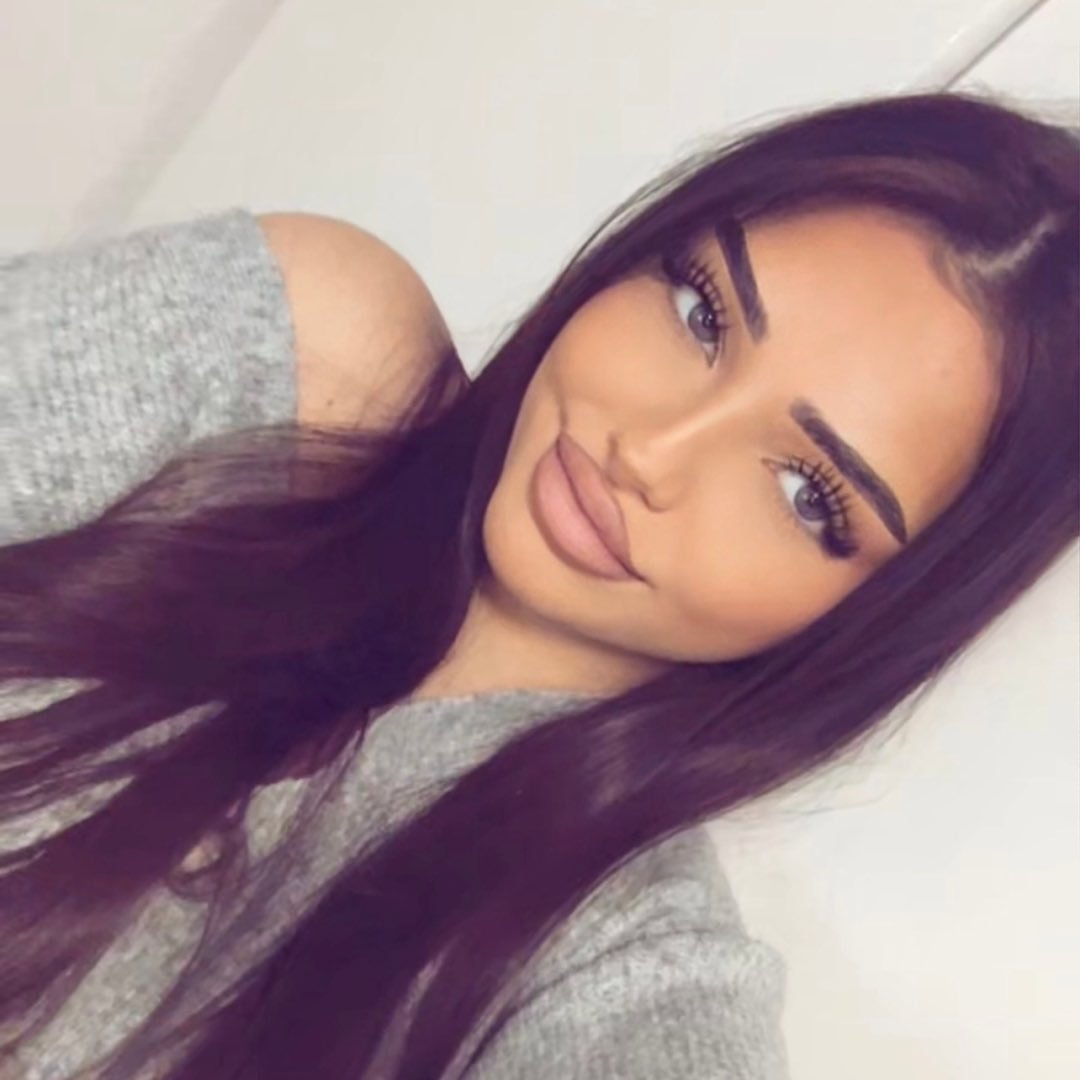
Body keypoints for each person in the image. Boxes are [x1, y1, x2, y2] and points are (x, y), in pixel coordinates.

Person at [0, 90, 1076, 1080]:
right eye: (702, 311)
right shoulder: (299, 354)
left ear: (884, 615)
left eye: (808, 493)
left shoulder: (621, 959)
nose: (651, 451)